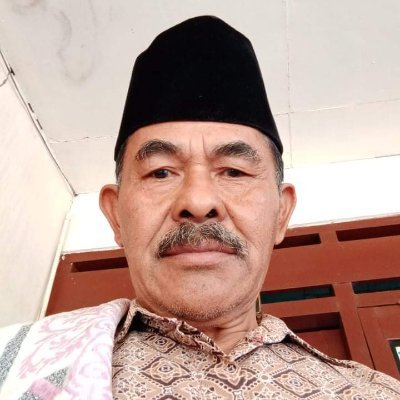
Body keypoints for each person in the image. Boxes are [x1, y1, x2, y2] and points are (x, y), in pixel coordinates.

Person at [0, 15, 399, 400]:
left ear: (281, 212)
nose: (198, 201)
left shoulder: (375, 393)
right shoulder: (12, 368)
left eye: (234, 171)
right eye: (161, 172)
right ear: (115, 213)